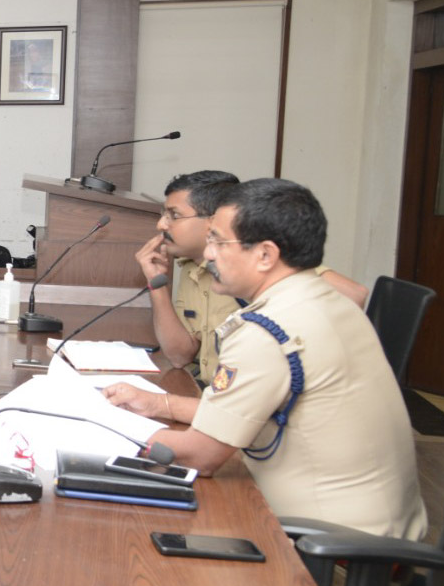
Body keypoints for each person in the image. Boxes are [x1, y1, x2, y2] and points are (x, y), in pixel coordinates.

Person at [103, 179, 425, 539]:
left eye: (218, 242)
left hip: (322, 550)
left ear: (266, 255)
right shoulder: (327, 301)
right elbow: (245, 411)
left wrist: (100, 426)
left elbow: (200, 456)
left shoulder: (267, 332)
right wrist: (158, 404)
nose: (209, 254)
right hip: (375, 535)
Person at [135, 170, 371, 386]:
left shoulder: (257, 261)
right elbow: (179, 355)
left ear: (214, 220)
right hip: (215, 391)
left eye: (174, 215)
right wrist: (157, 284)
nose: (161, 224)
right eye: (163, 214)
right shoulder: (191, 266)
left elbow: (354, 295)